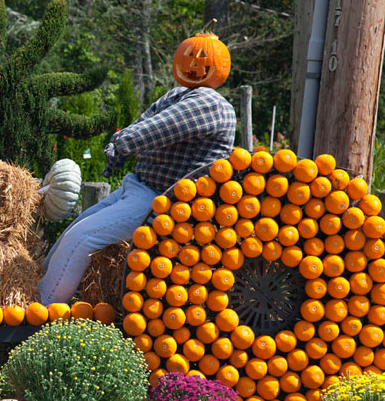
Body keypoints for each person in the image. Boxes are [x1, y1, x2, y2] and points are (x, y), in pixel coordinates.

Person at [39, 85, 237, 304]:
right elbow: (146, 119)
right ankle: (30, 288)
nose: (193, 62)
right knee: (73, 230)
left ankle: (41, 310)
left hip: (162, 201)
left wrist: (122, 143)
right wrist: (121, 148)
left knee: (81, 238)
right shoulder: (179, 93)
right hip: (137, 186)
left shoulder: (211, 103)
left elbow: (159, 128)